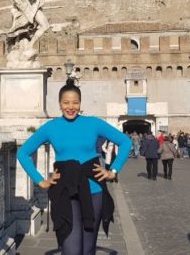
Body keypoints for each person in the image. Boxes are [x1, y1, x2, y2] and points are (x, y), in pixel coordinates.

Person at [17, 79, 131, 255]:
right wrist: (41, 181)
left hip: (93, 191)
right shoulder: (51, 127)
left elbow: (125, 141)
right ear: (60, 104)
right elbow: (23, 153)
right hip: (65, 192)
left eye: (75, 102)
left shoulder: (93, 123)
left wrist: (112, 171)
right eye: (66, 102)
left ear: (80, 103)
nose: (71, 107)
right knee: (71, 248)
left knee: (87, 249)